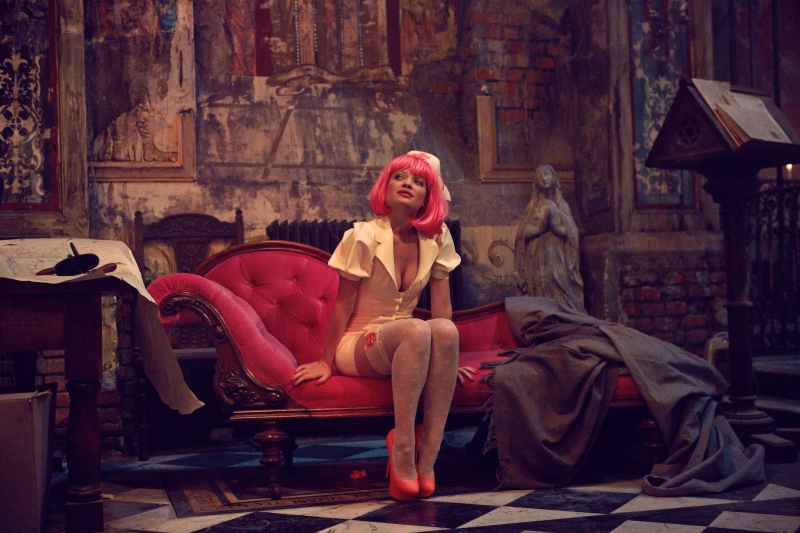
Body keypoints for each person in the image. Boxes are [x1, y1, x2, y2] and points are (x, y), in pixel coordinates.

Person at [292, 151, 473, 501]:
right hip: (357, 344)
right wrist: (326, 361)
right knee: (416, 328)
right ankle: (403, 446)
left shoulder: (437, 238)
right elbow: (342, 305)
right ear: (385, 186)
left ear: (428, 196)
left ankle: (429, 454)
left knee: (445, 330)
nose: (407, 184)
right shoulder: (362, 235)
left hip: (407, 342)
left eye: (418, 181)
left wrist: (447, 360)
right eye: (399, 177)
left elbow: (442, 309)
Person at [514, 164, 585, 312]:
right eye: (540, 174)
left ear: (554, 179)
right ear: (536, 181)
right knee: (540, 285)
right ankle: (543, 316)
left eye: (547, 174)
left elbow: (571, 233)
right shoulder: (532, 207)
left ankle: (564, 314)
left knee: (561, 286)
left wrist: (557, 227)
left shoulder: (562, 206)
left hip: (557, 255)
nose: (544, 177)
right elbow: (522, 234)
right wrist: (539, 229)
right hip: (537, 257)